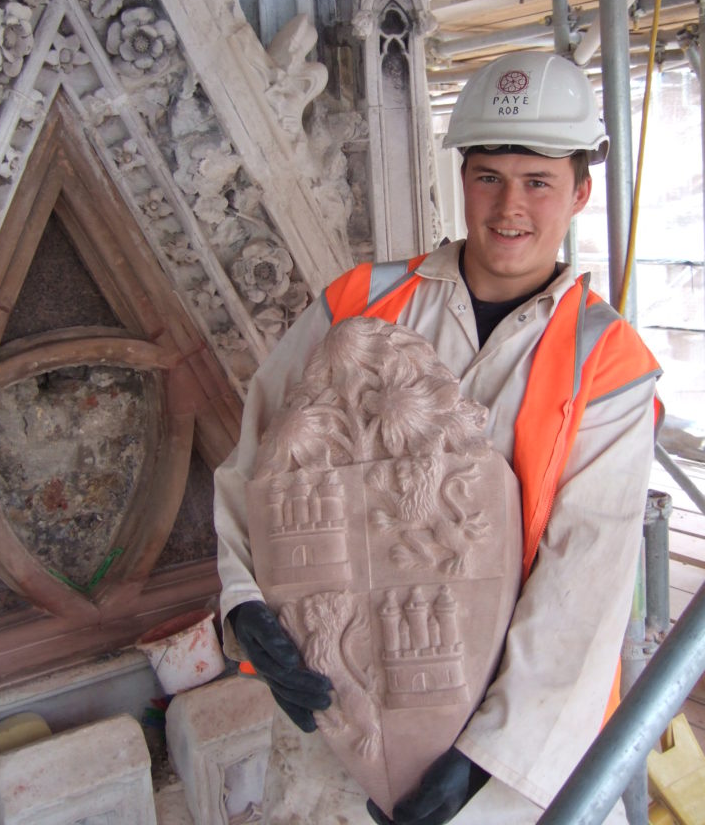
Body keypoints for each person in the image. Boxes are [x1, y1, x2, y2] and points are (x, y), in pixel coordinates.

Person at [213, 51, 662, 825]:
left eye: (538, 182)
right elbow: (256, 467)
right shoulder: (359, 305)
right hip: (340, 707)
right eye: (488, 176)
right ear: (461, 178)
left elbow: (580, 587)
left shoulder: (607, 363)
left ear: (580, 192)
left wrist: (486, 758)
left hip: (510, 746)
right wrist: (243, 604)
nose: (508, 206)